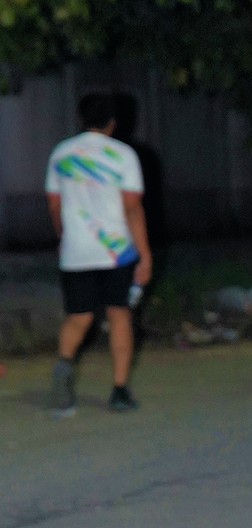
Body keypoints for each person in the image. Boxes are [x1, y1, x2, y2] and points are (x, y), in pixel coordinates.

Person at [46, 92, 152, 414]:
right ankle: (119, 391)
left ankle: (64, 369)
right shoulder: (124, 155)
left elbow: (54, 204)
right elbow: (132, 208)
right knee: (119, 315)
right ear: (113, 122)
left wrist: (64, 236)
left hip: (76, 250)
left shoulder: (61, 153)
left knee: (79, 317)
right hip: (117, 252)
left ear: (81, 119)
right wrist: (145, 254)